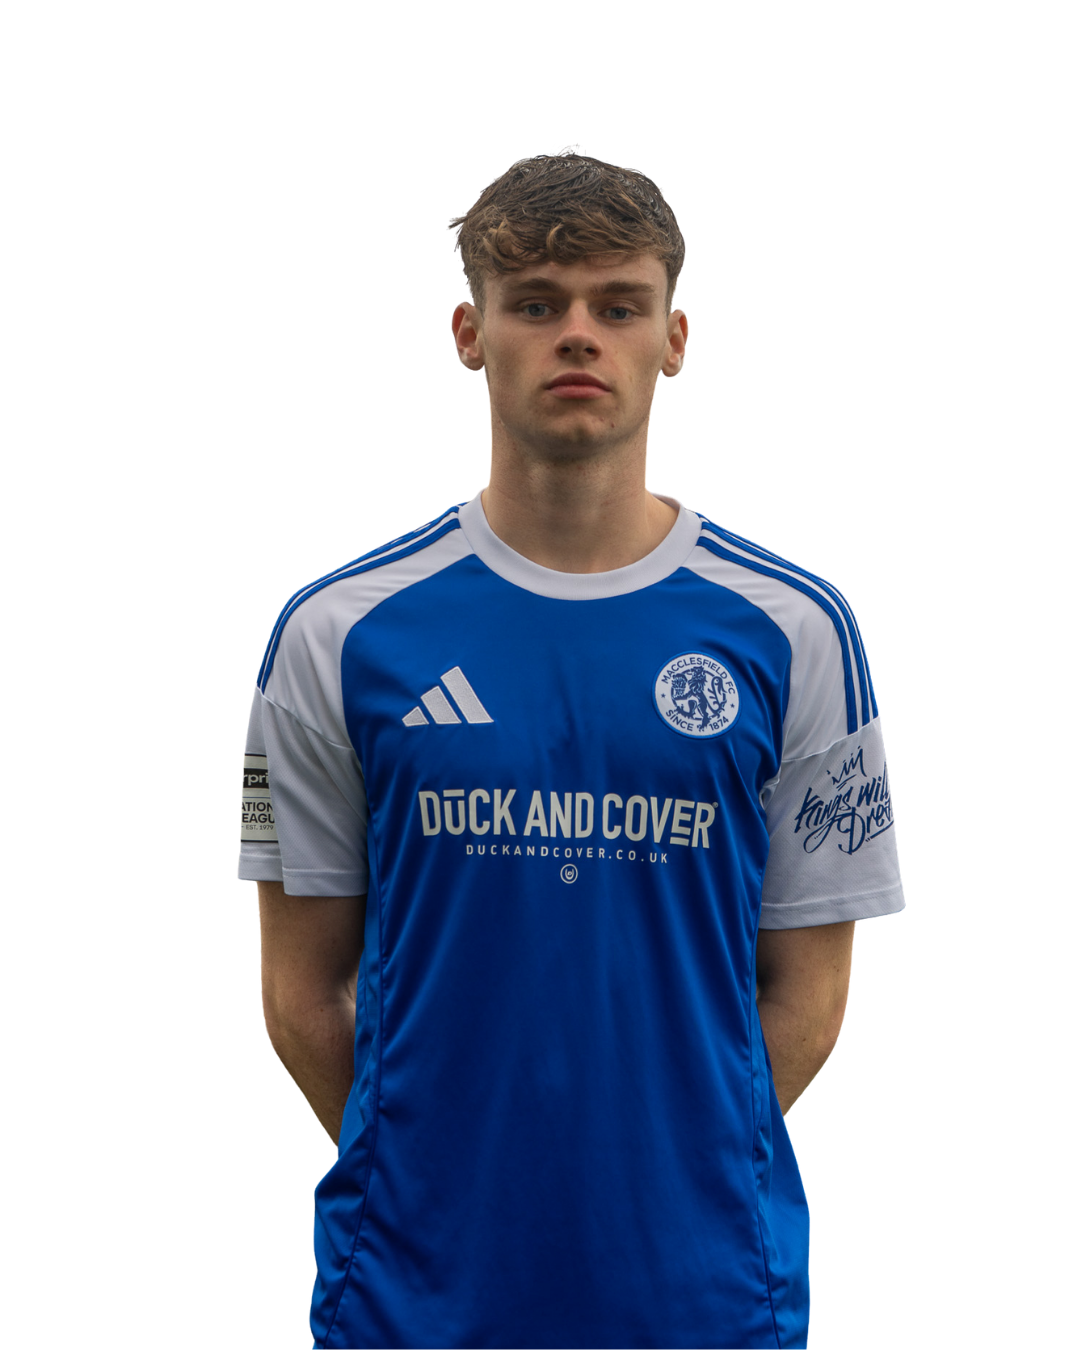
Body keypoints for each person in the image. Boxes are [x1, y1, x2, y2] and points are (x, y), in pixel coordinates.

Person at [238, 146, 906, 1350]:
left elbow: (811, 986)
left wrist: (677, 1163)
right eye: (537, 305)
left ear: (675, 338)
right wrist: (432, 1172)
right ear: (470, 336)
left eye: (619, 306)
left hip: (705, 1296)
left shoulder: (796, 630)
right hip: (412, 1300)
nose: (578, 336)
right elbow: (299, 993)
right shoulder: (337, 634)